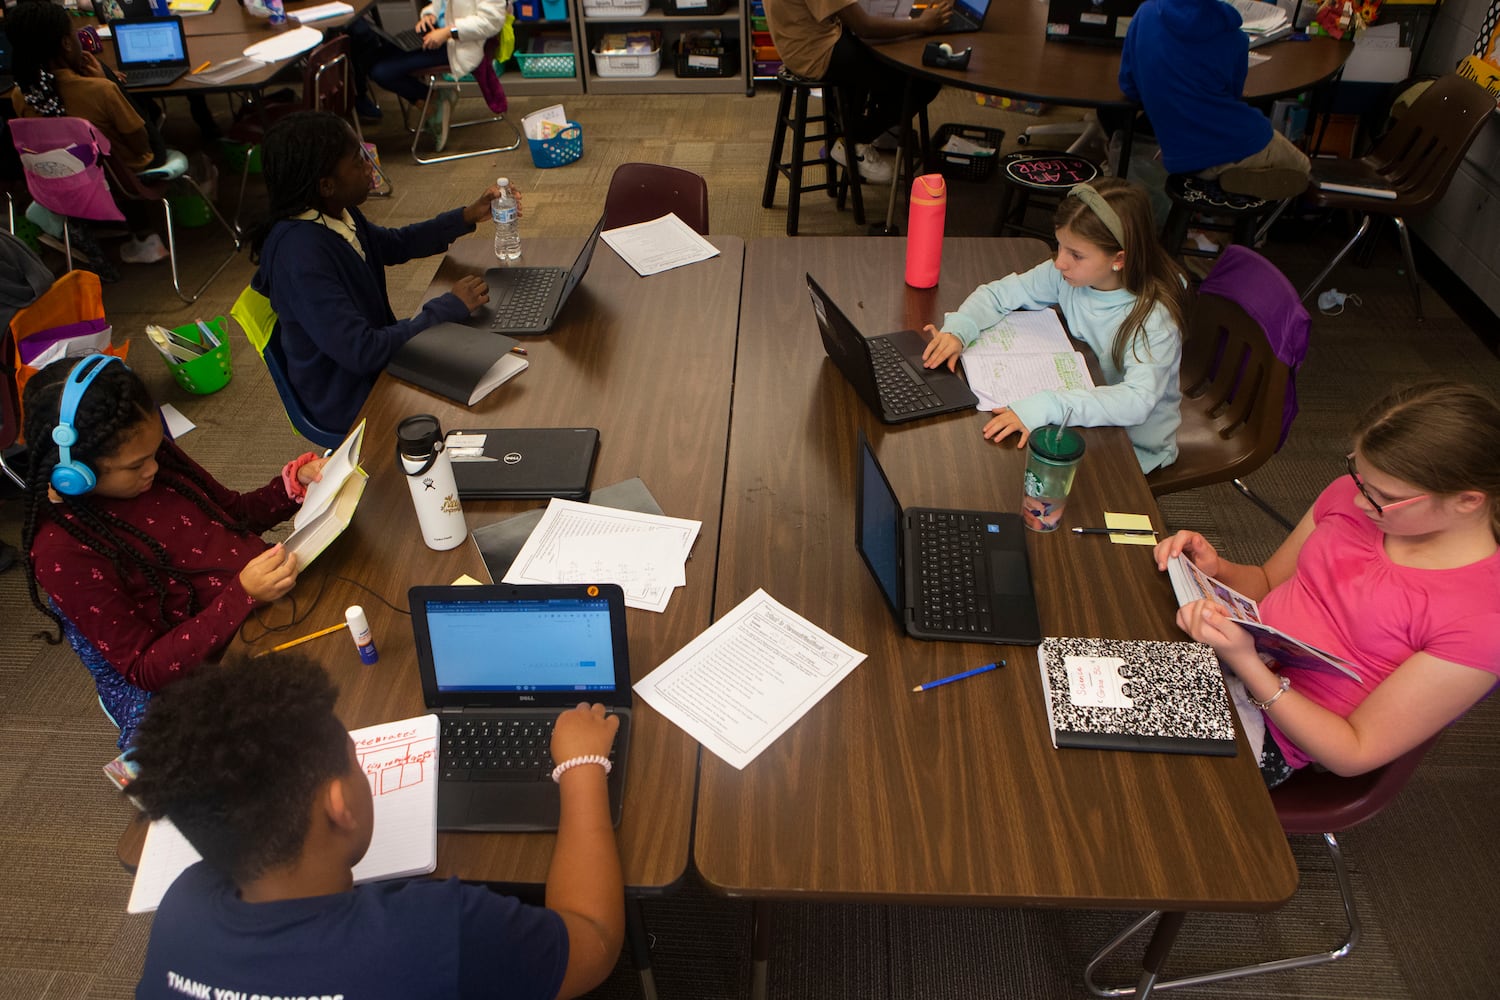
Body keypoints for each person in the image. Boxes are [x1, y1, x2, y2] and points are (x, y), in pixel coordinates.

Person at [129, 655, 625, 999]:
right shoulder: (434, 933)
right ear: (340, 804)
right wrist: (581, 767)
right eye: (355, 760)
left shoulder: (180, 912)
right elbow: (596, 943)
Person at [1154, 382, 1500, 787]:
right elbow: (1267, 582)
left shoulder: (1481, 621)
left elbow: (1353, 753)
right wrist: (1218, 569)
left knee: (1103, 767)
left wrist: (1249, 664)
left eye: (1382, 495)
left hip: (1272, 729)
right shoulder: (1353, 501)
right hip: (1226, 657)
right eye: (1358, 474)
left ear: (1467, 501)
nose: (1357, 501)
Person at [19, 355, 327, 749]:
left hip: (264, 599)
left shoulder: (154, 457)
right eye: (135, 466)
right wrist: (241, 595)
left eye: (153, 451)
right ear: (73, 473)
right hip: (211, 656)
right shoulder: (63, 552)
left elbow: (232, 514)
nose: (153, 468)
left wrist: (290, 489)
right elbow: (144, 667)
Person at [249, 110, 499, 436]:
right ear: (326, 185)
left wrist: (466, 216)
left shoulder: (334, 213)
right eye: (359, 161)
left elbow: (391, 244)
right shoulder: (301, 259)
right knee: (483, 407)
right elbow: (362, 352)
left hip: (377, 361)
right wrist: (447, 308)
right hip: (351, 398)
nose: (371, 166)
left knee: (489, 357)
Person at [921, 178, 1187, 474]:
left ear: (1119, 259)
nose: (1060, 262)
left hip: (1130, 441)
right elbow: (998, 294)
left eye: (1075, 254)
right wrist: (960, 329)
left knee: (1023, 480)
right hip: (1083, 404)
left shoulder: (1152, 321)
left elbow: (1136, 402)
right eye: (1059, 245)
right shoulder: (1071, 275)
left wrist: (1048, 405)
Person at [6, 0, 171, 271]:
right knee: (151, 121)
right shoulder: (100, 90)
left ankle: (85, 228)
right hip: (123, 179)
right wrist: (110, 80)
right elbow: (141, 143)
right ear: (67, 43)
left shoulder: (20, 96)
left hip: (66, 180)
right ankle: (141, 232)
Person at [1119, 0, 1310, 201]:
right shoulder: (1234, 37)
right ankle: (1233, 178)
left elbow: (1128, 85)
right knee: (1302, 169)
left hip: (1179, 155)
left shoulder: (1145, 15)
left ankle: (1227, 178)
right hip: (1237, 139)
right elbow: (1233, 93)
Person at [765, 0, 954, 183]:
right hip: (819, 53)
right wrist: (922, 24)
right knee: (925, 81)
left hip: (801, 42)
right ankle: (854, 141)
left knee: (885, 61)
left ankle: (870, 132)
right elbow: (864, 26)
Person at [352, 0, 508, 151]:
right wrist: (429, 15)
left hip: (460, 44)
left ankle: (432, 101)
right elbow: (440, 6)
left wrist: (448, 32)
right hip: (439, 35)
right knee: (373, 59)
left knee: (381, 71)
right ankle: (434, 101)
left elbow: (492, 21)